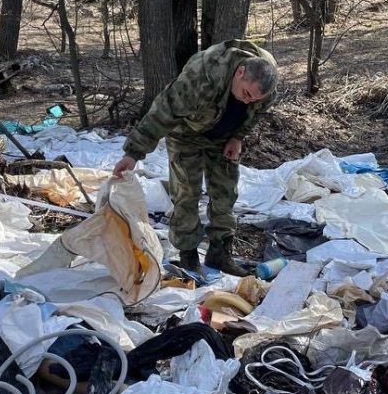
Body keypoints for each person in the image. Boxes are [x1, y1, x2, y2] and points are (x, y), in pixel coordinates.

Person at [111, 40, 278, 277]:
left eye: (254, 98)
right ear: (240, 72)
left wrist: (237, 137)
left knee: (225, 193)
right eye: (246, 94)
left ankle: (220, 254)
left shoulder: (265, 81)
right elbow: (163, 111)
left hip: (224, 137)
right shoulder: (202, 76)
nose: (248, 101)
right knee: (186, 193)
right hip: (186, 133)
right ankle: (188, 257)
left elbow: (256, 112)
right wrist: (133, 153)